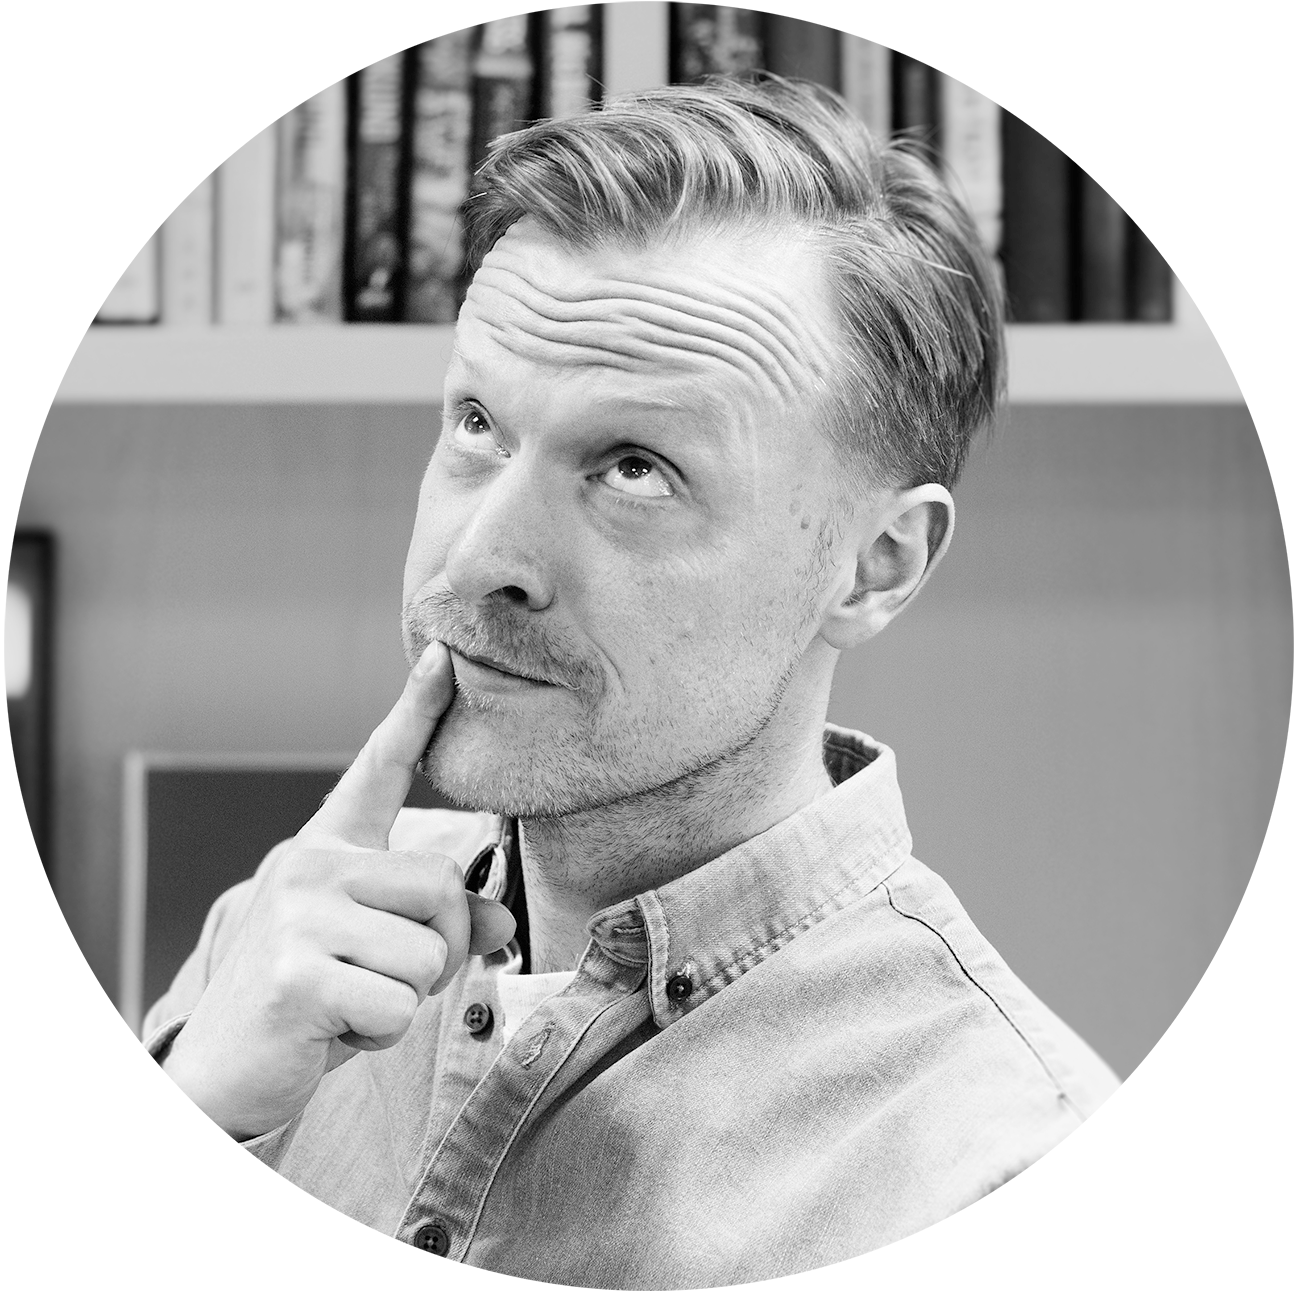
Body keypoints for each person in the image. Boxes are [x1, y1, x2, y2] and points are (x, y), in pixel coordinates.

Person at [145, 75, 1118, 1289]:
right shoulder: (278, 941)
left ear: (873, 568)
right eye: (478, 423)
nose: (479, 557)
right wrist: (181, 1133)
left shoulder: (1014, 1172)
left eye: (636, 468)